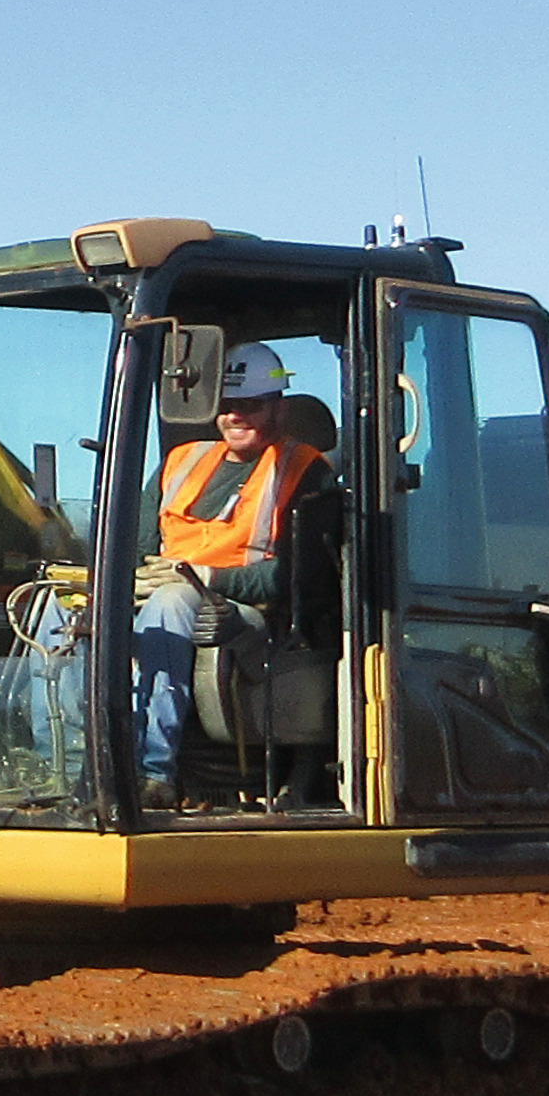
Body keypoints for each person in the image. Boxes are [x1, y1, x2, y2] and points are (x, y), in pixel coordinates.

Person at [131, 343, 328, 807]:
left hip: (249, 617)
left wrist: (206, 578)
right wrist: (131, 579)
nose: (235, 417)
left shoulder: (305, 472)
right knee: (57, 608)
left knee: (172, 604)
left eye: (250, 406)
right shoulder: (183, 460)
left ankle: (149, 773)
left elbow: (302, 577)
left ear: (278, 407)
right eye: (227, 406)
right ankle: (66, 764)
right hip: (165, 588)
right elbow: (137, 543)